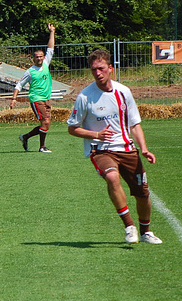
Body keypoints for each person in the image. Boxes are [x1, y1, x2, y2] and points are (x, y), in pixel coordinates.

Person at [67, 49, 162, 245]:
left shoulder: (123, 91)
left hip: (127, 148)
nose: (97, 73)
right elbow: (72, 128)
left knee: (142, 194)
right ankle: (129, 226)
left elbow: (134, 124)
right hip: (100, 149)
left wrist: (144, 148)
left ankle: (146, 232)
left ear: (110, 68)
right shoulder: (85, 97)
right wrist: (96, 135)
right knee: (111, 176)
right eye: (93, 70)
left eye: (101, 68)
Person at [10, 23, 56, 153]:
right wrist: (14, 98)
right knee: (46, 122)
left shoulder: (46, 64)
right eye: (37, 57)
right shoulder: (30, 71)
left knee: (46, 124)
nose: (40, 58)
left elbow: (51, 48)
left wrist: (52, 32)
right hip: (36, 99)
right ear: (33, 58)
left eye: (41, 56)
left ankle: (25, 137)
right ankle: (42, 147)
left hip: (46, 98)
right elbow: (19, 85)